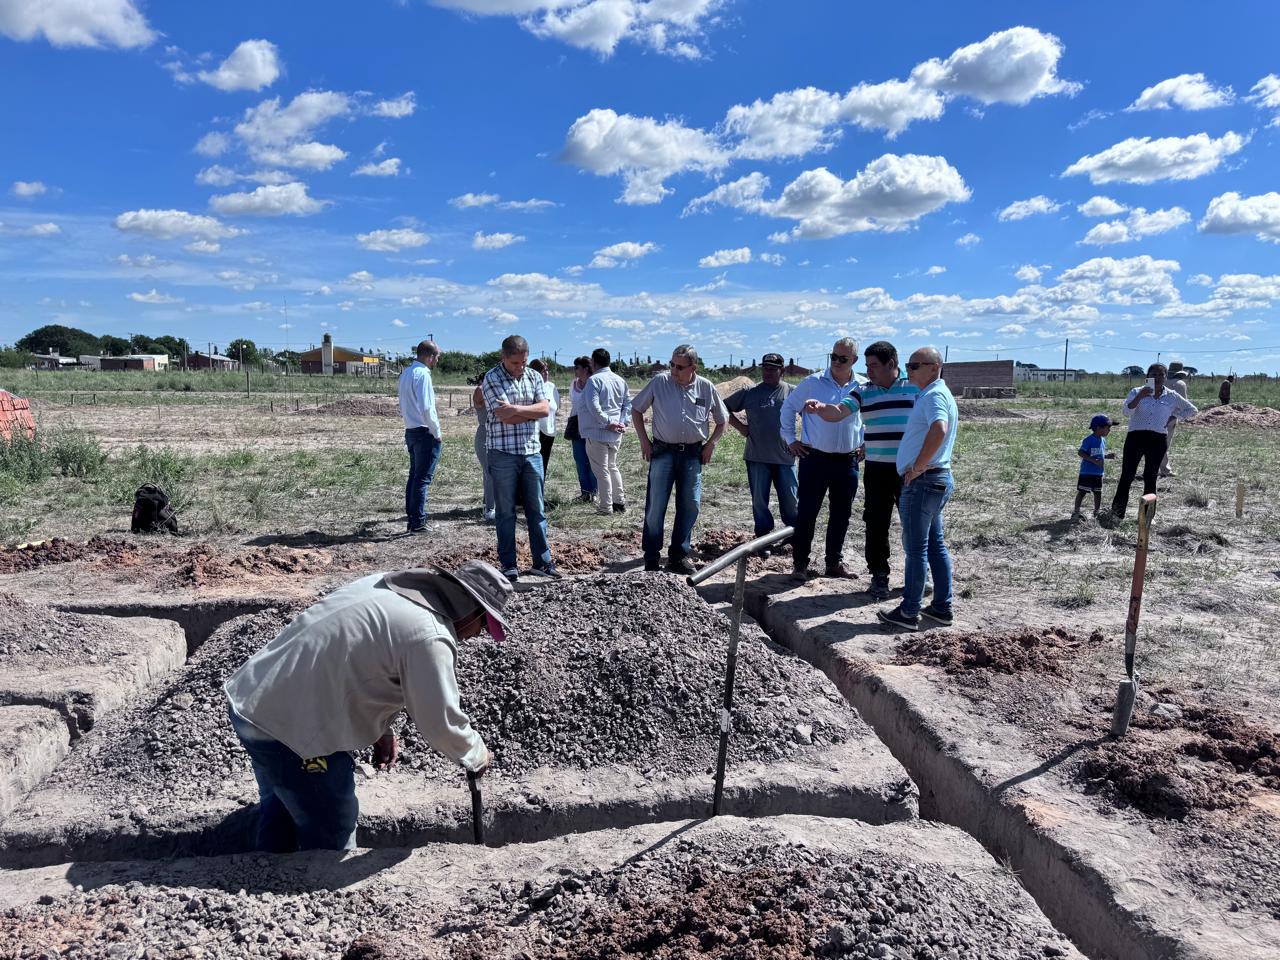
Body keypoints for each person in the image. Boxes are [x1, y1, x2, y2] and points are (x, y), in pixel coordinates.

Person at [224, 560, 508, 853]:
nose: (478, 635)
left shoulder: (387, 587)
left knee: (284, 803)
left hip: (253, 703)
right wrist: (475, 754)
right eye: (485, 626)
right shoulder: (430, 635)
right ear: (471, 609)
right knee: (331, 825)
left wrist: (381, 729)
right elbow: (439, 721)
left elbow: (359, 662)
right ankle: (322, 891)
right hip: (288, 734)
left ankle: (268, 876)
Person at [803, 340, 918, 599]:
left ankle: (916, 577)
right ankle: (879, 576)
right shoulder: (863, 391)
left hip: (909, 470)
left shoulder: (914, 387)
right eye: (867, 365)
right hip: (877, 470)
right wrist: (821, 408)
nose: (870, 370)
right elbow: (839, 412)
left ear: (892, 364)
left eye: (874, 365)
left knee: (914, 526)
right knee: (876, 524)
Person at [877, 347, 958, 632]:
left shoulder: (934, 395)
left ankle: (909, 611)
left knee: (917, 549)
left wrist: (918, 467)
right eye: (908, 366)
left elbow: (939, 428)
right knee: (935, 545)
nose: (908, 370)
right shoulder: (937, 393)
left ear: (934, 367)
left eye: (914, 366)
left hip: (924, 481)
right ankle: (941, 607)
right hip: (935, 479)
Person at [632, 344, 727, 574]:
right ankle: (652, 558)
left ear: (693, 367)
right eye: (672, 364)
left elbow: (722, 419)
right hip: (663, 452)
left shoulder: (705, 387)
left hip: (693, 455)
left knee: (690, 504)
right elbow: (636, 410)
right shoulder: (659, 383)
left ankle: (678, 556)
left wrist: (710, 445)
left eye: (680, 367)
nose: (674, 370)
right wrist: (645, 441)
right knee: (655, 507)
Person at [780, 338, 863, 581]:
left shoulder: (863, 386)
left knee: (841, 514)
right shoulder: (812, 382)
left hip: (847, 461)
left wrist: (866, 442)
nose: (836, 362)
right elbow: (788, 409)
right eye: (833, 356)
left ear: (854, 361)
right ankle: (800, 564)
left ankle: (833, 563)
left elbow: (868, 417)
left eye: (843, 358)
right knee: (807, 512)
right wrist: (790, 439)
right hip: (814, 459)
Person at [482, 335, 560, 581]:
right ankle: (509, 564)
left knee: (537, 510)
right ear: (504, 357)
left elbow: (544, 409)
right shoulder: (492, 378)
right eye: (515, 363)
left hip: (531, 453)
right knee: (506, 512)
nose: (520, 367)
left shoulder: (534, 377)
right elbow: (503, 417)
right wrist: (528, 412)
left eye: (524, 362)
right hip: (502, 453)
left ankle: (543, 562)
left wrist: (515, 409)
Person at [724, 352, 797, 553]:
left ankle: (793, 537)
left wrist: (801, 441)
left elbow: (811, 414)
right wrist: (741, 427)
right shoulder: (750, 392)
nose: (768, 371)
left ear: (782, 370)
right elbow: (722, 407)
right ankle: (763, 540)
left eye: (773, 368)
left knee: (791, 502)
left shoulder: (792, 392)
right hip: (757, 457)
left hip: (785, 458)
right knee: (759, 502)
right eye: (765, 367)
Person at [1109, 363, 1198, 519]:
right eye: (1153, 375)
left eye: (1160, 375)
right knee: (1127, 476)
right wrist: (1140, 396)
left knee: (1150, 477)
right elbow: (1126, 412)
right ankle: (1117, 514)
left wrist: (1174, 416)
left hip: (1157, 439)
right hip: (1136, 437)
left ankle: (1147, 517)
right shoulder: (1136, 391)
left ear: (1165, 377)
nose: (1156, 378)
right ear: (1147, 377)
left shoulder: (1171, 395)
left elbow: (1192, 410)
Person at [580, 347, 632, 516]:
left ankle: (606, 507)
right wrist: (622, 422)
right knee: (612, 467)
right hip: (616, 433)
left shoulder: (594, 381)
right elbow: (627, 405)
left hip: (597, 432)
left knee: (602, 471)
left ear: (593, 363)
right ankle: (619, 502)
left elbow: (593, 406)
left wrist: (609, 422)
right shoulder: (620, 380)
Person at [398, 339, 442, 534]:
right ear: (430, 356)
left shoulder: (406, 373)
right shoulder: (423, 375)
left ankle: (413, 518)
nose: (437, 361)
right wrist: (437, 432)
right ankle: (418, 522)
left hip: (411, 430)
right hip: (424, 432)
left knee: (414, 477)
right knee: (422, 479)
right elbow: (427, 408)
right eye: (437, 357)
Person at [565, 357, 598, 503]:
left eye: (577, 367)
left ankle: (595, 492)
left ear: (586, 368)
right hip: (576, 424)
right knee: (579, 459)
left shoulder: (595, 382)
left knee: (593, 460)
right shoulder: (573, 384)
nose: (575, 370)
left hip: (592, 425)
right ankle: (585, 493)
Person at [1074, 415, 1115, 518]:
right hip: (1087, 472)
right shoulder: (1089, 440)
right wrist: (1093, 461)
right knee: (1082, 492)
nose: (1109, 430)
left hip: (1098, 473)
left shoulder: (1103, 440)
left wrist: (1106, 456)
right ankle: (1076, 512)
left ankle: (1096, 512)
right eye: (1107, 428)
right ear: (1098, 428)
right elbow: (1081, 453)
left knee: (1098, 492)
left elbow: (1097, 454)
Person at [528, 359, 560, 486]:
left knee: (544, 463)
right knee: (533, 465)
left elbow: (556, 407)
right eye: (542, 371)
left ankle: (539, 493)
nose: (546, 373)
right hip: (534, 431)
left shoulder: (551, 387)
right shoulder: (531, 386)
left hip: (549, 430)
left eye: (546, 370)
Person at [1160, 364, 1189, 478]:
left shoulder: (1161, 382)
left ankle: (1155, 467)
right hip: (1170, 417)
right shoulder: (1180, 384)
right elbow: (1184, 404)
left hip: (1156, 415)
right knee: (1164, 444)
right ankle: (1165, 470)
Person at [471, 385, 495, 522]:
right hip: (484, 435)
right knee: (489, 472)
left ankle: (488, 504)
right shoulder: (482, 390)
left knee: (489, 473)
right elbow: (479, 391)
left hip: (496, 435)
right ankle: (490, 509)